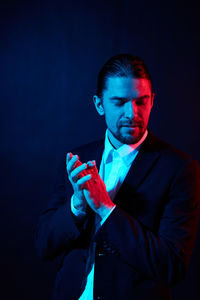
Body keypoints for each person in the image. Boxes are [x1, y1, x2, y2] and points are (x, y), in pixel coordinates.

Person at [35, 54, 200, 300]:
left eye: (141, 102)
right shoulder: (78, 158)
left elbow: (171, 267)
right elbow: (44, 246)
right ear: (99, 104)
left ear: (152, 101)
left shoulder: (181, 169)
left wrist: (105, 208)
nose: (132, 113)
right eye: (120, 102)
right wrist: (77, 207)